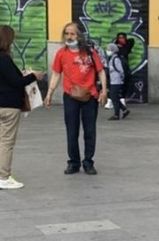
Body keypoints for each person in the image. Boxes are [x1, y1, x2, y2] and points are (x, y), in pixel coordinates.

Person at [45, 22, 108, 175]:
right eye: (66, 33)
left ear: (79, 35)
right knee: (72, 131)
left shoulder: (90, 53)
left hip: (90, 96)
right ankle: (73, 162)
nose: (69, 36)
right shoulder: (61, 53)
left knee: (90, 131)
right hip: (70, 97)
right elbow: (56, 74)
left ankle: (88, 162)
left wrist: (104, 91)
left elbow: (101, 72)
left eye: (72, 33)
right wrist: (49, 93)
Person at [0, 26, 45, 189]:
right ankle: (4, 177)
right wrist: (34, 76)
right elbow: (16, 82)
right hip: (8, 105)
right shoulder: (4, 59)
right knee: (6, 142)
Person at [105, 43, 129, 121]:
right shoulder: (112, 59)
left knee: (114, 97)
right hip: (113, 81)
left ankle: (116, 114)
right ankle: (124, 110)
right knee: (114, 97)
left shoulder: (116, 59)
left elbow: (120, 70)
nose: (107, 51)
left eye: (109, 49)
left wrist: (121, 79)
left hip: (116, 81)